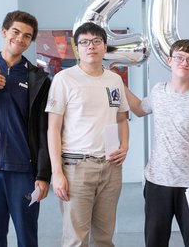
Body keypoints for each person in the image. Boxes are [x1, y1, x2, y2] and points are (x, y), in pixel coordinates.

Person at [125, 39, 189, 247]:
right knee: (154, 242)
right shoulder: (159, 91)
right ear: (169, 60)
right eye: (179, 57)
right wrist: (119, 85)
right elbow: (140, 109)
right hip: (158, 181)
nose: (184, 63)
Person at [46, 22, 129, 246]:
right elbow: (53, 127)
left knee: (104, 237)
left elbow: (122, 117)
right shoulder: (64, 79)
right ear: (77, 48)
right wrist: (57, 172)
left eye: (96, 41)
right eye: (84, 42)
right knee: (76, 239)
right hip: (76, 167)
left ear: (104, 46)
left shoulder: (114, 80)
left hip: (110, 167)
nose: (90, 46)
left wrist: (125, 146)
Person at [0, 10, 51, 247]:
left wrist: (43, 175)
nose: (20, 38)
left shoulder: (38, 79)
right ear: (5, 32)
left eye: (27, 36)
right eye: (16, 31)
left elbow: (45, 130)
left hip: (24, 172)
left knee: (27, 238)